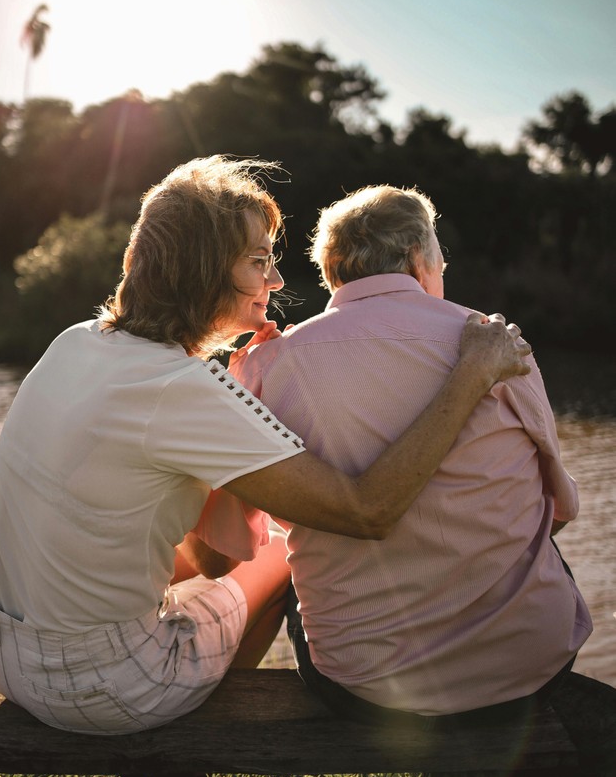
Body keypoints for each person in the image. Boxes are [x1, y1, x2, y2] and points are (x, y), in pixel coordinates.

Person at [0, 157, 531, 736]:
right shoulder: (184, 390)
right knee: (284, 552)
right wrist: (471, 373)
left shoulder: (77, 341)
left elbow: (206, 558)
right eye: (260, 263)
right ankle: (206, 737)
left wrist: (231, 395)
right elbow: (366, 511)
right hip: (102, 684)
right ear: (204, 273)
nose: (277, 283)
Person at [231, 183, 593, 725]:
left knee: (291, 558)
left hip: (364, 690)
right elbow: (559, 512)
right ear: (420, 260)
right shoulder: (498, 345)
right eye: (440, 260)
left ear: (332, 275)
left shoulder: (266, 365)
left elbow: (250, 531)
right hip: (528, 673)